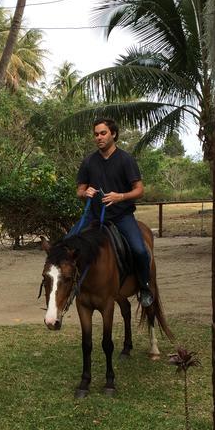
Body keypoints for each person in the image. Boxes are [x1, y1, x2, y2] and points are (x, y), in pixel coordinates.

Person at [76, 117, 154, 308]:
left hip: (121, 216)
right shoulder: (89, 161)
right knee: (68, 245)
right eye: (96, 134)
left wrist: (120, 196)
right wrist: (85, 193)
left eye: (103, 133)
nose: (99, 137)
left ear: (113, 134)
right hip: (93, 217)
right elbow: (79, 190)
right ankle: (72, 286)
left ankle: (144, 287)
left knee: (140, 250)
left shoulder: (126, 160)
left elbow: (139, 190)